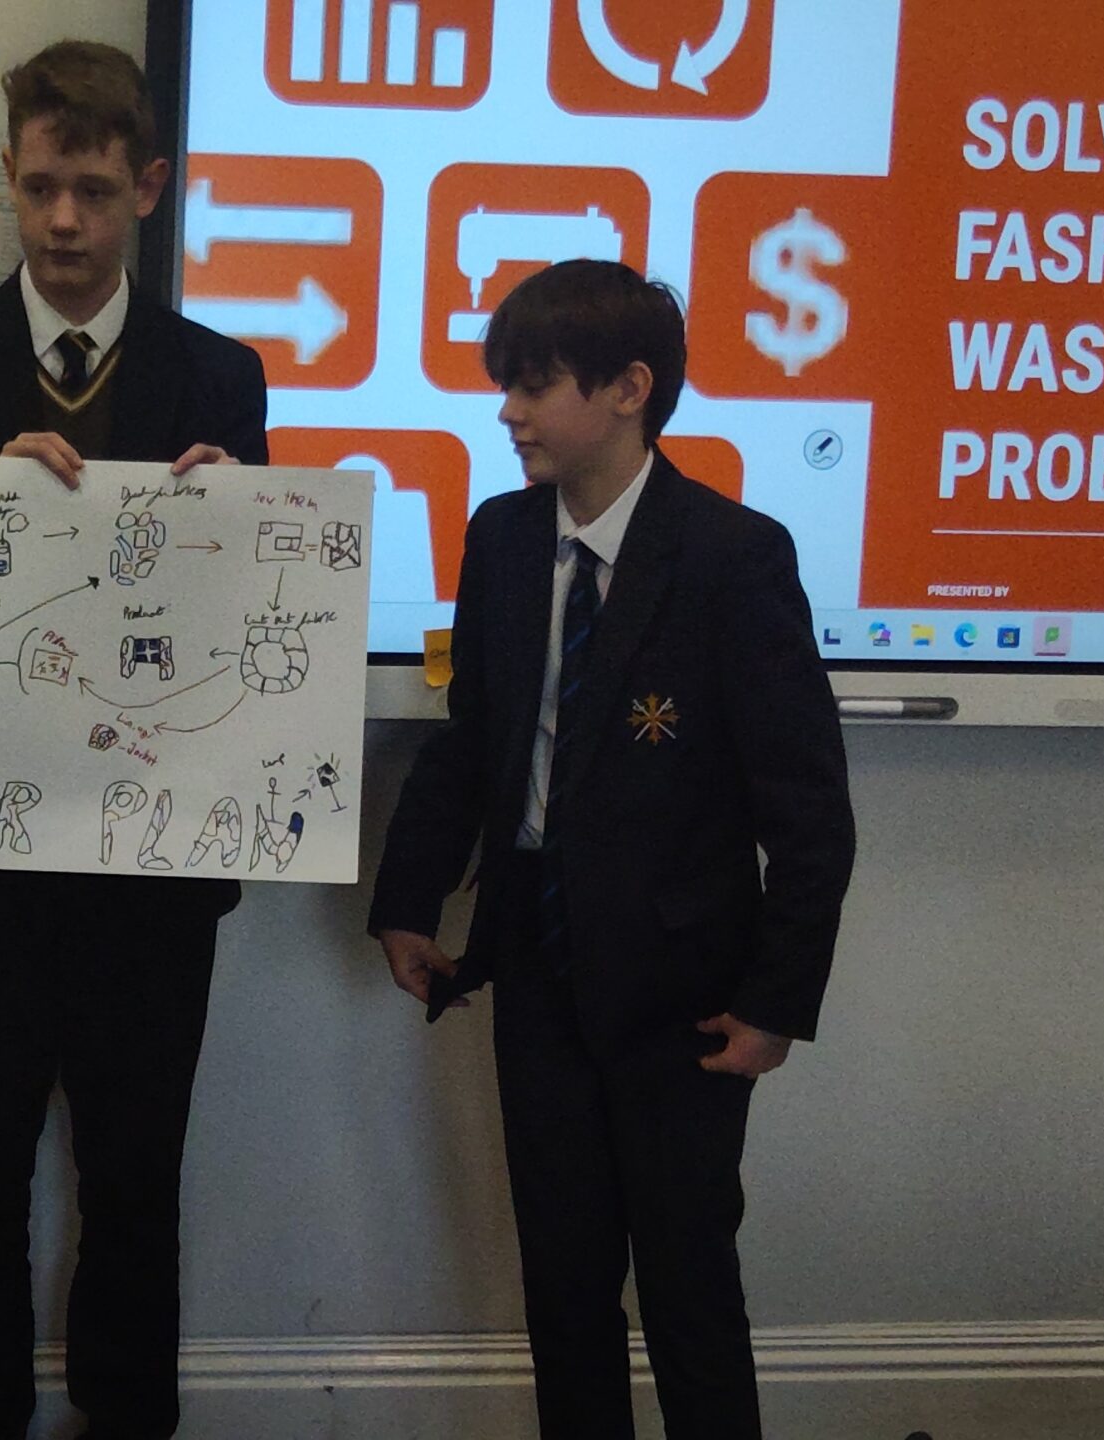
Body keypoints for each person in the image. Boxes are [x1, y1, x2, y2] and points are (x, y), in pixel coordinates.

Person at [367, 259, 857, 1439]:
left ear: (629, 389)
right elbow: (472, 738)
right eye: (505, 384)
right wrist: (408, 900)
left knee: (688, 1289)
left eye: (534, 385)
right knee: (562, 1286)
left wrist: (775, 1002)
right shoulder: (500, 538)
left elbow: (806, 808)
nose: (508, 412)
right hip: (537, 968)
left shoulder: (732, 555)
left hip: (683, 994)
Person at [0, 39, 268, 1440]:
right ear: (7, 177)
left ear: (147, 187)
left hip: (151, 866)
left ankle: (129, 1422)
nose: (62, 222)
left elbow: (246, 637)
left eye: (93, 191)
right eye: (40, 187)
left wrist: (234, 524)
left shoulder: (220, 376)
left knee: (135, 1181)